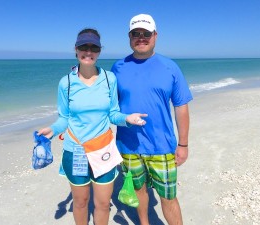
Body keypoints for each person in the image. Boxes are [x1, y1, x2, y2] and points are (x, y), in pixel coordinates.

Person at [37, 28, 147, 225]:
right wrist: (52, 130)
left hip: (103, 149)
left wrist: (127, 118)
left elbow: (113, 113)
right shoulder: (66, 83)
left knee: (104, 203)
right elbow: (64, 118)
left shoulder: (108, 79)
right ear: (76, 49)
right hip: (76, 150)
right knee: (80, 202)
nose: (88, 52)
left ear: (99, 51)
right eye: (83, 47)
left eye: (93, 47)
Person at [111, 14, 193, 225]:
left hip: (162, 145)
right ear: (129, 37)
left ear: (155, 36)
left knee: (168, 196)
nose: (141, 37)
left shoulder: (170, 67)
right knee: (139, 190)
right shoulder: (117, 68)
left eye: (146, 33)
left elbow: (181, 106)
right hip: (128, 146)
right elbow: (108, 108)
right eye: (136, 33)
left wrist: (183, 144)